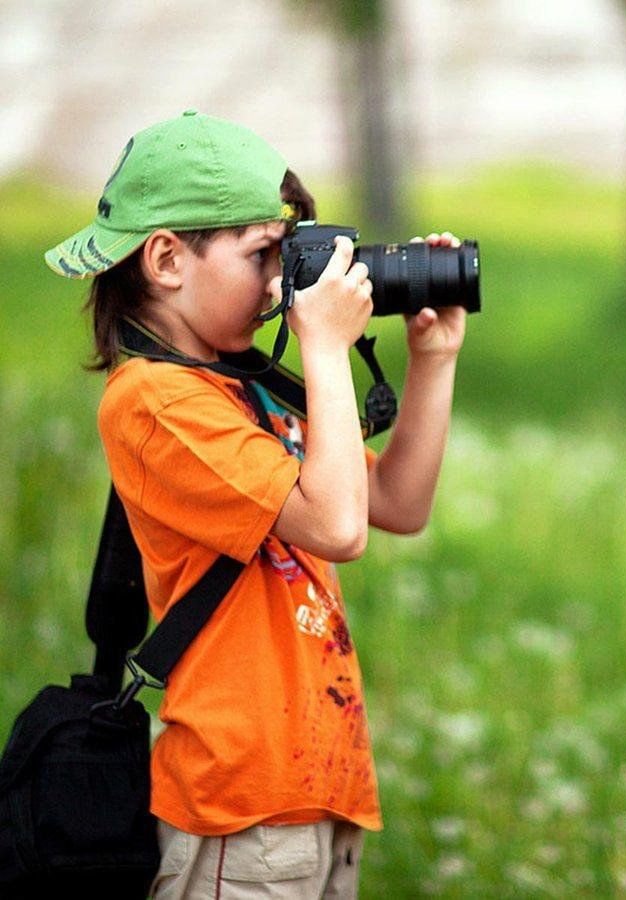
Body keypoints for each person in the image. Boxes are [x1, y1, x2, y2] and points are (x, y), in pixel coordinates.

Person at [44, 110, 466, 897]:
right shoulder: (156, 401)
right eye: (264, 254)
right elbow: (339, 527)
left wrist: (432, 360)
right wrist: (326, 344)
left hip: (314, 786)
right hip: (239, 805)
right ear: (168, 259)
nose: (284, 285)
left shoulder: (245, 387)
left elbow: (397, 505)